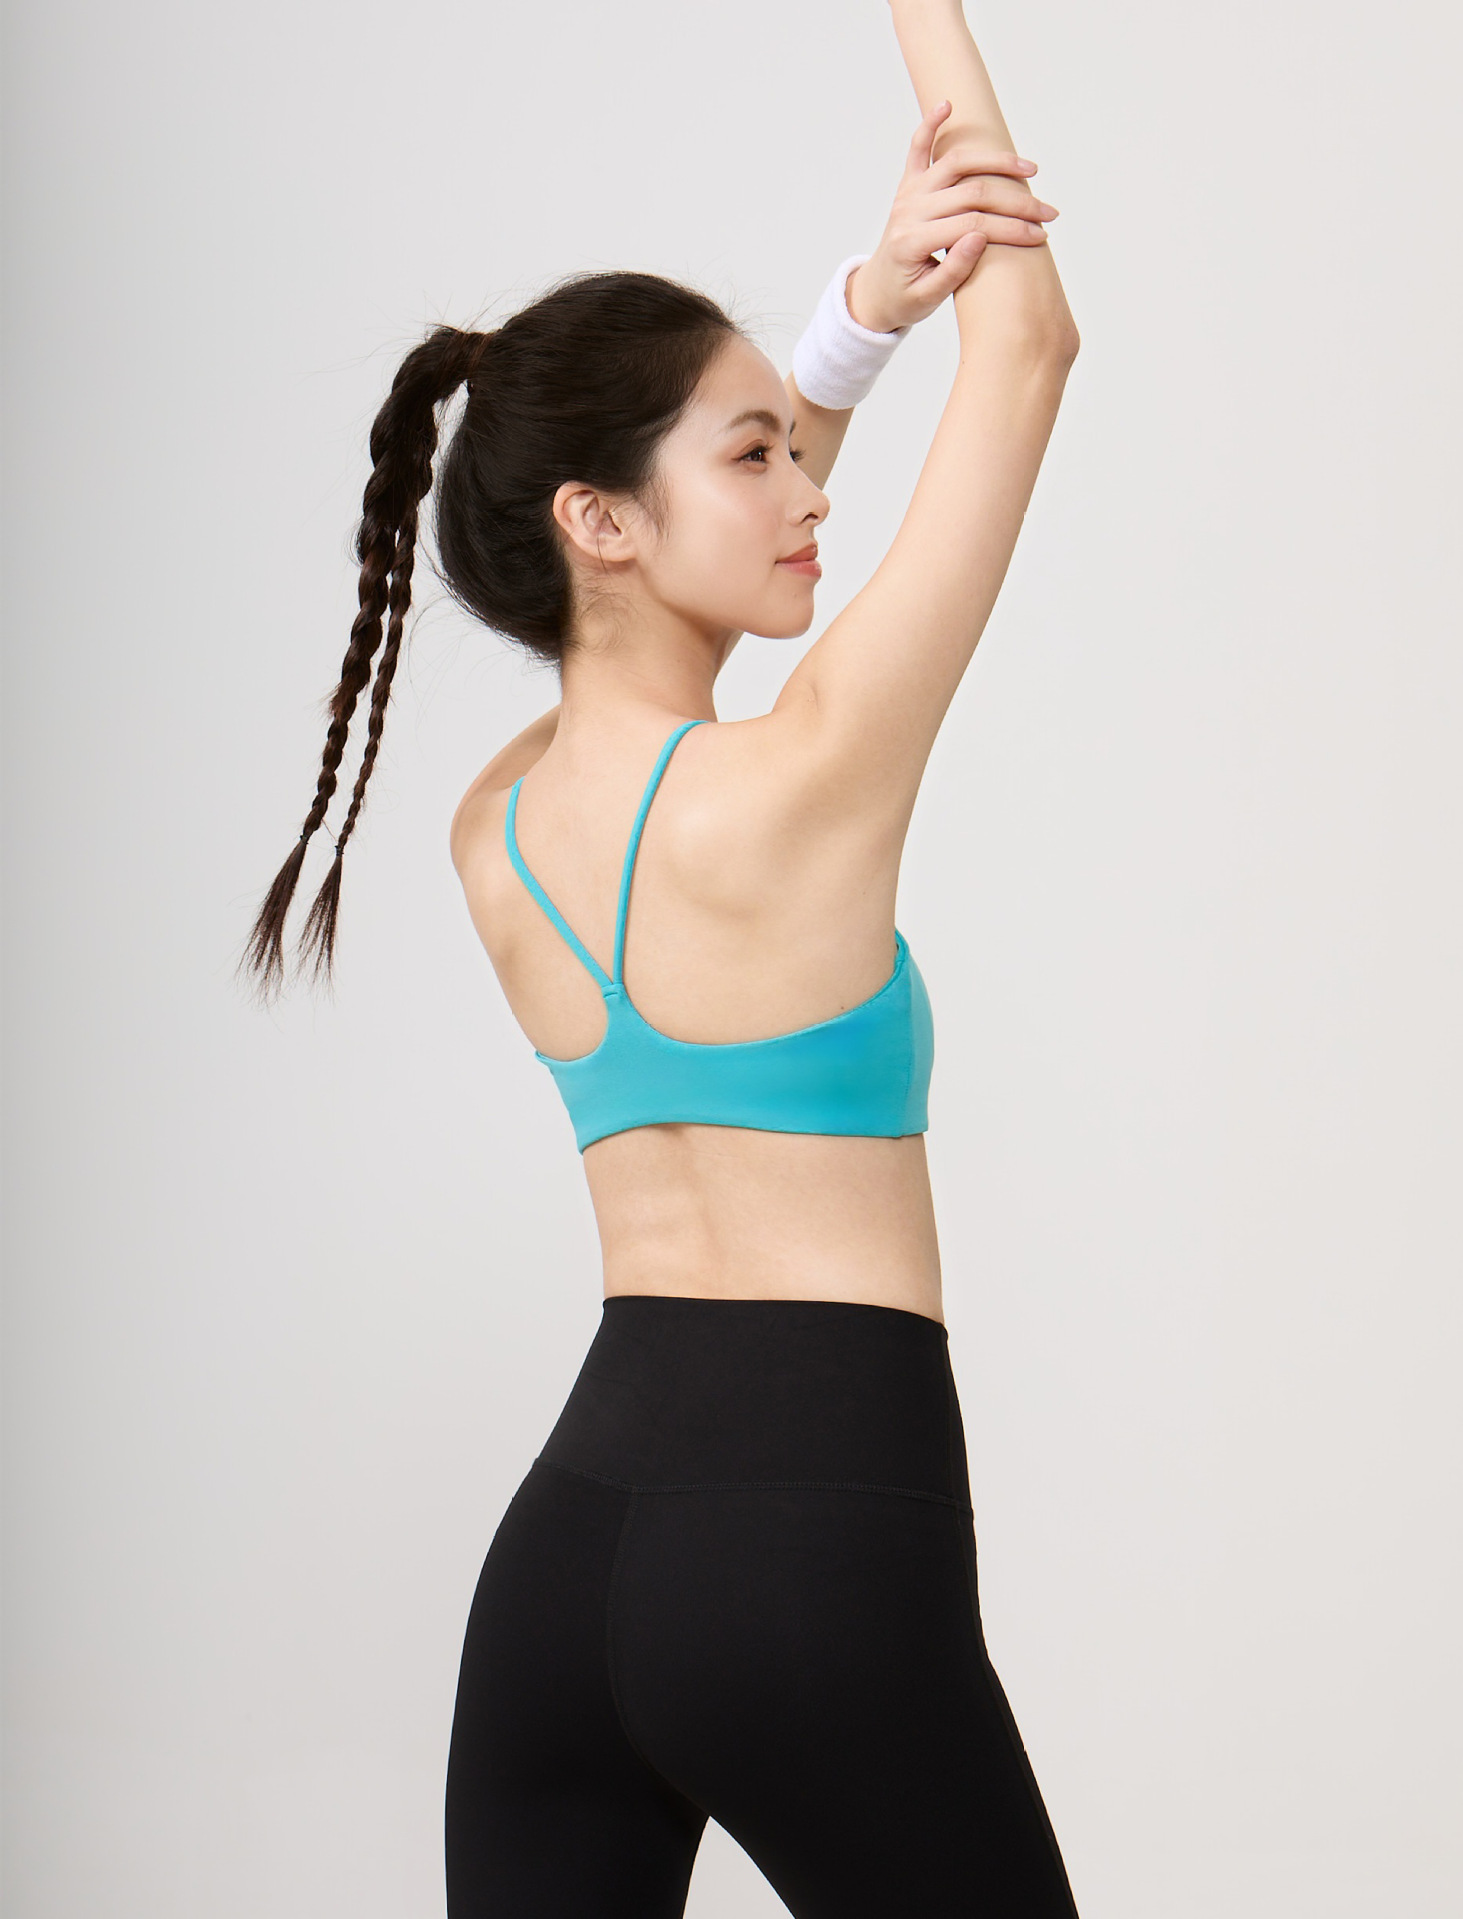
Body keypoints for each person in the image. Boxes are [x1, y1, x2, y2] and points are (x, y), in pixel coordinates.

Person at [242, 2, 1082, 1911]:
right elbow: (1032, 344)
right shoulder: (804, 788)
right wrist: (931, 31)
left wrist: (846, 331)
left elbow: (663, 608)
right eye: (756, 456)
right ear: (599, 519)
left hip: (566, 1573)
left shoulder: (494, 831)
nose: (810, 493)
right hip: (817, 1555)